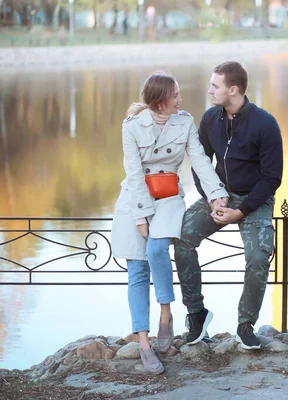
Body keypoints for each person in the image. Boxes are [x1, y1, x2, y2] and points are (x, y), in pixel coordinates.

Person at [111, 71, 228, 374]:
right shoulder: (132, 127)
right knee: (137, 270)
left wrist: (216, 194)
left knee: (156, 249)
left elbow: (200, 160)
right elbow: (134, 173)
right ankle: (144, 343)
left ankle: (166, 315)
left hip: (168, 199)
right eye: (175, 95)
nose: (180, 99)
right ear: (161, 101)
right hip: (135, 199)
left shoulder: (184, 122)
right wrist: (139, 215)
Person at [174, 61, 283, 350]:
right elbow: (200, 164)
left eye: (215, 86)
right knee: (182, 237)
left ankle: (246, 324)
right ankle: (197, 315)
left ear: (233, 89)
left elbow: (272, 178)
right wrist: (212, 196)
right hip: (219, 196)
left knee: (259, 256)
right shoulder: (211, 119)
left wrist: (242, 210)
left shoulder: (265, 124)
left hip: (254, 200)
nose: (209, 90)